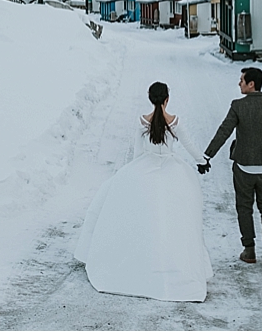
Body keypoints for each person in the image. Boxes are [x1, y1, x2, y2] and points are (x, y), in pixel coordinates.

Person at [74, 82, 213, 302]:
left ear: (151, 99)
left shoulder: (141, 122)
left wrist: (132, 175)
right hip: (171, 171)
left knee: (143, 219)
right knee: (174, 221)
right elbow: (189, 145)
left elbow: (138, 153)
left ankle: (139, 266)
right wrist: (201, 161)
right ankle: (174, 266)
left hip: (144, 168)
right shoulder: (175, 122)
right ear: (167, 99)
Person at [200, 67, 262, 267]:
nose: (239, 83)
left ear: (251, 84)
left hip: (244, 168)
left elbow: (224, 132)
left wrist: (207, 156)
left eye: (242, 80)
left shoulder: (238, 106)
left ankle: (249, 250)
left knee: (244, 207)